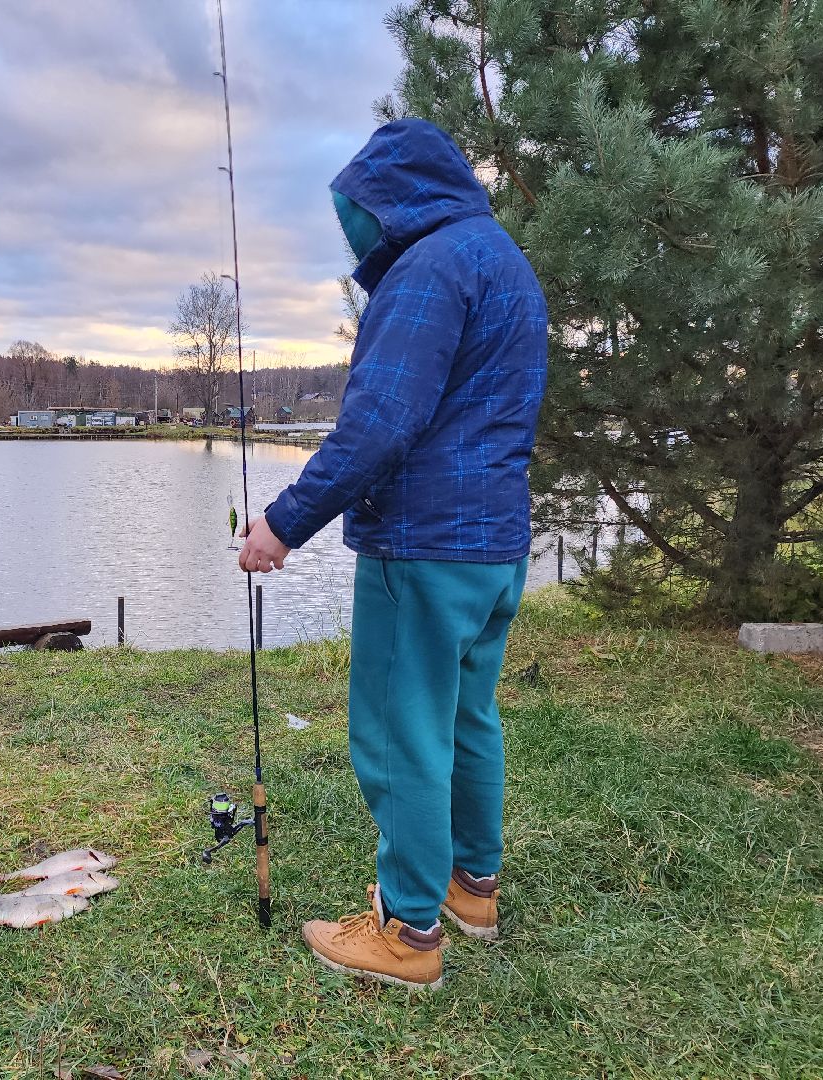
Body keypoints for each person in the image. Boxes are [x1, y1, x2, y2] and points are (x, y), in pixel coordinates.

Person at [238, 118, 548, 990]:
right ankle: (470, 888)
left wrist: (281, 523)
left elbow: (378, 425)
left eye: (360, 211)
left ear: (398, 196)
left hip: (424, 552)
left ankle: (408, 933)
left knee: (401, 733)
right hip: (494, 550)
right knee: (465, 718)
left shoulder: (429, 268)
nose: (356, 230)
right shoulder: (503, 261)